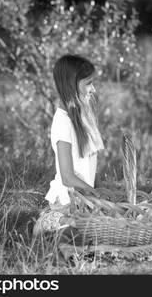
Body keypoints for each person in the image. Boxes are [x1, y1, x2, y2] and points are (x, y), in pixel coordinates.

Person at [33, 54, 104, 235]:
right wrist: (96, 196)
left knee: (115, 220)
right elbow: (67, 177)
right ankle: (50, 220)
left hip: (84, 198)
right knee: (89, 230)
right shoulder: (62, 122)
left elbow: (90, 168)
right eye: (88, 83)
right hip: (67, 199)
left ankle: (69, 222)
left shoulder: (84, 116)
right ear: (71, 84)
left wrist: (98, 194)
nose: (93, 89)